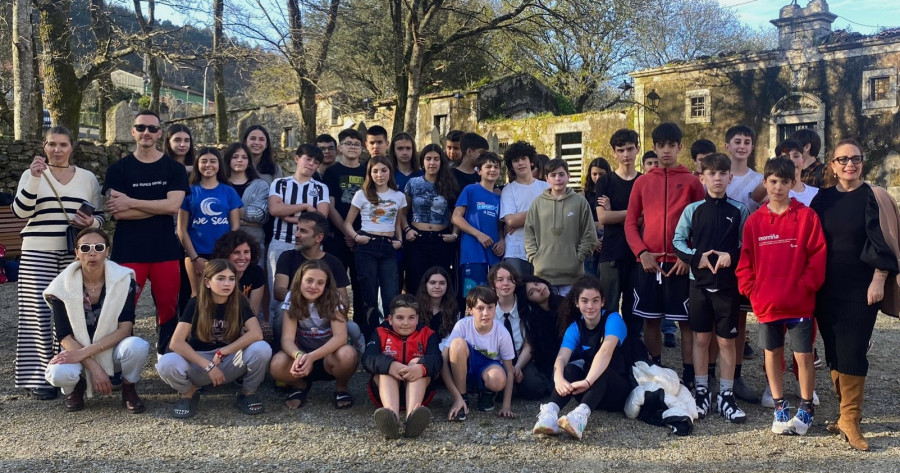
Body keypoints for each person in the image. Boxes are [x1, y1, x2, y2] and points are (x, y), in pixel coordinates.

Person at [810, 139, 899, 450]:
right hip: (825, 286)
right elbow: (810, 240)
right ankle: (842, 415)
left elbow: (882, 241)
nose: (850, 164)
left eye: (856, 159)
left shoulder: (873, 197)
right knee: (833, 349)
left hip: (861, 286)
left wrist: (879, 279)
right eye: (843, 159)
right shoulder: (822, 200)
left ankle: (851, 418)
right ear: (832, 165)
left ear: (863, 163)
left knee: (853, 350)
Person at [12, 126, 105, 399]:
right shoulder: (32, 175)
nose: (57, 149)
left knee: (73, 314)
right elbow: (20, 212)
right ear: (44, 146)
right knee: (37, 314)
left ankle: (71, 376)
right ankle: (40, 378)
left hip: (72, 253)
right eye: (52, 144)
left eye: (63, 144)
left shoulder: (87, 178)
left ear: (71, 147)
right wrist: (33, 178)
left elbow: (100, 217)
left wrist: (91, 222)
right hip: (37, 252)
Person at [737, 157, 827, 436]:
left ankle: (806, 405)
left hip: (799, 302)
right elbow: (746, 262)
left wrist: (805, 286)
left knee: (804, 356)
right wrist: (753, 290)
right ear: (765, 183)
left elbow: (817, 256)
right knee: (771, 355)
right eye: (773, 181)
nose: (777, 187)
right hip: (768, 304)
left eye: (784, 182)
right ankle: (779, 405)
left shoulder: (807, 217)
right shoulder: (754, 222)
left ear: (792, 184)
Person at [624, 122, 705, 386]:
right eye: (661, 146)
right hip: (650, 264)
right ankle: (655, 371)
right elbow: (630, 222)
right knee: (651, 320)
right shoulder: (642, 182)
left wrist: (687, 257)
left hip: (681, 265)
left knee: (687, 324)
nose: (666, 151)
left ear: (680, 146)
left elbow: (701, 225)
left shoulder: (692, 182)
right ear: (655, 148)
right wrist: (642, 253)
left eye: (672, 145)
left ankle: (691, 375)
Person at [103, 110, 188, 356]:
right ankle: (121, 361)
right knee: (123, 308)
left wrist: (131, 201)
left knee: (168, 308)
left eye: (152, 128)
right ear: (133, 131)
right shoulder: (118, 169)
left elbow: (174, 207)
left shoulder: (174, 169)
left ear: (160, 133)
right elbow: (119, 214)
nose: (146, 133)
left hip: (165, 251)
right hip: (129, 250)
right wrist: (159, 206)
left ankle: (167, 358)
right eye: (141, 128)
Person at [673, 153, 750, 424]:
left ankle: (726, 395)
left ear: (730, 177)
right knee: (701, 339)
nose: (717, 178)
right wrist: (697, 257)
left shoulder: (739, 210)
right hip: (699, 285)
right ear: (702, 177)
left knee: (727, 341)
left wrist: (733, 256)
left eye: (722, 173)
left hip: (728, 286)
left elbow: (747, 245)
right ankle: (702, 390)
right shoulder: (692, 210)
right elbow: (678, 240)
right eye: (712, 173)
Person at [44, 228, 149, 413]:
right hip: (76, 348)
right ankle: (76, 388)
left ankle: (128, 388)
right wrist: (93, 366)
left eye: (98, 247)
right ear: (76, 252)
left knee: (137, 346)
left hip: (112, 347)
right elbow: (64, 335)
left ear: (107, 251)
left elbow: (125, 328)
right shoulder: (60, 285)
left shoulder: (124, 280)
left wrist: (86, 352)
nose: (92, 252)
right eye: (85, 248)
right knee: (57, 372)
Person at [156, 259, 272, 418]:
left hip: (228, 360)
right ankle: (189, 394)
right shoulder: (196, 303)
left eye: (231, 279)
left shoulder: (239, 302)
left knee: (262, 348)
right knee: (166, 363)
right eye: (221, 278)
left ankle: (248, 393)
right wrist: (208, 366)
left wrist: (224, 351)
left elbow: (256, 333)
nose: (227, 284)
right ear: (207, 282)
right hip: (199, 363)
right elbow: (176, 343)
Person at [531, 275, 630, 440]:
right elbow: (562, 357)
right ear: (577, 303)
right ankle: (550, 413)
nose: (590, 306)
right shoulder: (575, 327)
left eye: (595, 301)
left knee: (600, 367)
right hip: (590, 391)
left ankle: (580, 417)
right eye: (584, 301)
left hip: (618, 390)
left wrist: (587, 381)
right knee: (569, 368)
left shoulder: (613, 319)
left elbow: (605, 352)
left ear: (602, 302)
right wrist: (559, 379)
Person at [269, 260, 359, 410]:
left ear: (326, 285)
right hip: (303, 356)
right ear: (300, 280)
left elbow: (340, 337)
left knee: (348, 354)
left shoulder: (334, 298)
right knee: (276, 364)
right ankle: (300, 385)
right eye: (309, 280)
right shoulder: (292, 298)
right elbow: (287, 339)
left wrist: (312, 357)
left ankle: (342, 387)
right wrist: (299, 355)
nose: (313, 286)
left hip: (329, 357)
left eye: (320, 283)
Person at [724, 124, 766, 403]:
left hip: (746, 257)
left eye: (747, 142)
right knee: (717, 321)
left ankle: (736, 377)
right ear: (727, 145)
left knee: (738, 320)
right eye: (737, 141)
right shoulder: (718, 175)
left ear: (752, 147)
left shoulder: (760, 180)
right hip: (716, 257)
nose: (742, 146)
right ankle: (713, 375)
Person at [363, 295, 442, 439]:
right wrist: (390, 365)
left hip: (419, 393)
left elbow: (437, 359)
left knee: (417, 363)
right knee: (385, 368)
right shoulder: (379, 332)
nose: (406, 323)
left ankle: (413, 418)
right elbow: (367, 359)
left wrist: (420, 368)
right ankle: (391, 418)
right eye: (400, 318)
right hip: (384, 391)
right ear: (390, 319)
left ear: (417, 318)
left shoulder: (427, 333)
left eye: (411, 318)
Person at [344, 155, 405, 331]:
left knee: (390, 295)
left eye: (384, 170)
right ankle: (370, 335)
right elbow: (347, 223)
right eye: (375, 171)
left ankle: (390, 333)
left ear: (390, 172)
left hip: (388, 246)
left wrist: (399, 241)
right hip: (367, 245)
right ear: (369, 174)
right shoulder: (361, 194)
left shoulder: (398, 196)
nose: (380, 175)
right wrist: (356, 237)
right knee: (368, 295)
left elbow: (398, 223)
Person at [267, 144, 329, 315]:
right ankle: (276, 336)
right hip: (281, 242)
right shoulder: (280, 183)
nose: (311, 164)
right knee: (277, 295)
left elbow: (321, 217)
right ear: (296, 159)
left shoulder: (320, 188)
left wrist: (289, 217)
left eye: (316, 162)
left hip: (311, 247)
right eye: (308, 159)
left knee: (311, 290)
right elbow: (275, 210)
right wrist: (305, 206)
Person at [441, 285, 516, 420]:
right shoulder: (462, 325)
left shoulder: (502, 332)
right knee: (457, 344)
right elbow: (443, 361)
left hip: (488, 369)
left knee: (498, 378)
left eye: (490, 307)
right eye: (480, 308)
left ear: (495, 307)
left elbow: (509, 370)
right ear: (470, 310)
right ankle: (463, 399)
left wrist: (506, 406)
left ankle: (487, 394)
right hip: (464, 370)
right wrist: (456, 397)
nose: (486, 313)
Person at [525, 159, 597, 296]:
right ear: (546, 178)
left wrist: (578, 257)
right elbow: (529, 234)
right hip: (543, 275)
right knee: (547, 316)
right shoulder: (537, 203)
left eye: (561, 174)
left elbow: (589, 235)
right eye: (553, 175)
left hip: (572, 276)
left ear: (568, 176)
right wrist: (535, 258)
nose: (557, 178)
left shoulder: (580, 202)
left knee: (568, 315)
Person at [178, 147, 243, 297]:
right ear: (197, 165)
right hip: (196, 254)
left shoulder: (229, 191)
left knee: (223, 296)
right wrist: (195, 258)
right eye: (204, 161)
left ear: (219, 164)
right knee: (198, 297)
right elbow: (181, 229)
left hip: (222, 253)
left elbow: (235, 226)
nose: (208, 165)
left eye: (213, 161)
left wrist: (226, 252)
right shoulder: (188, 191)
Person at [595, 129, 641, 340]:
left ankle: (633, 354)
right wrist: (633, 213)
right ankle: (608, 355)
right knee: (609, 309)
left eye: (630, 149)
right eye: (621, 150)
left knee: (635, 311)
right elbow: (603, 219)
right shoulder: (605, 182)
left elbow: (647, 219)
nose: (626, 154)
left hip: (638, 254)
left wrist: (616, 213)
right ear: (613, 153)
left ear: (638, 149)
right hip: (611, 253)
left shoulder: (645, 181)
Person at [273, 211, 353, 332]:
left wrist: (318, 305)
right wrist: (307, 302)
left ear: (319, 237)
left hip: (324, 313)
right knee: (281, 309)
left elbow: (344, 301)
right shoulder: (287, 257)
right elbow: (279, 292)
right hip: (297, 309)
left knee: (353, 328)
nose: (297, 235)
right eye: (297, 229)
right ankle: (281, 347)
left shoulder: (334, 262)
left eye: (303, 231)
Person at [490, 262, 556, 400]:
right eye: (500, 280)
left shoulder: (525, 308)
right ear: (493, 284)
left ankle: (519, 382)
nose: (506, 283)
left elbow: (529, 343)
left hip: (521, 358)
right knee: (501, 392)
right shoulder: (489, 310)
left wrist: (518, 366)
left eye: (510, 279)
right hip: (497, 361)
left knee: (536, 389)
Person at [323, 128, 368, 323]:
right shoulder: (332, 171)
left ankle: (362, 329)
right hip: (338, 236)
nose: (352, 147)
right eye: (348, 143)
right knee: (333, 284)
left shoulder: (367, 170)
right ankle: (333, 326)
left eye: (356, 144)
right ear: (340, 147)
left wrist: (358, 234)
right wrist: (348, 233)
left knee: (362, 286)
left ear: (362, 148)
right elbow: (330, 207)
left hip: (364, 235)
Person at [401, 144, 460, 295]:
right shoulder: (413, 183)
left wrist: (454, 234)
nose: (432, 163)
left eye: (436, 159)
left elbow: (457, 213)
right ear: (422, 162)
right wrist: (407, 230)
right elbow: (402, 212)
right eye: (428, 159)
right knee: (415, 281)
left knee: (440, 283)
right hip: (417, 239)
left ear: (441, 162)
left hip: (441, 240)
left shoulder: (450, 184)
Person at [452, 152, 504, 296]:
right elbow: (456, 218)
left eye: (496, 167)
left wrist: (502, 241)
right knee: (472, 298)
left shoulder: (500, 198)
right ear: (479, 170)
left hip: (494, 256)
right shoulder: (470, 190)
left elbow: (500, 226)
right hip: (472, 254)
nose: (493, 170)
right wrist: (478, 235)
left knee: (493, 298)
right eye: (488, 166)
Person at [500, 141, 549, 278]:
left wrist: (522, 220)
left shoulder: (546, 188)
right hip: (515, 251)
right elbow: (510, 221)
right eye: (516, 161)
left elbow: (553, 216)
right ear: (511, 165)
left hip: (542, 250)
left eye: (523, 159)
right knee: (517, 291)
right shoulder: (508, 190)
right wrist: (541, 211)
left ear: (531, 162)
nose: (520, 163)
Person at [224, 142, 269, 256]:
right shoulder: (220, 185)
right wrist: (246, 221)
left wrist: (230, 216)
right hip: (224, 244)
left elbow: (259, 214)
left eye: (244, 157)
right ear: (228, 159)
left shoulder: (260, 185)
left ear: (249, 162)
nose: (240, 160)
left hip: (254, 243)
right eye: (235, 157)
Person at [212, 230, 266, 324]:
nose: (242, 257)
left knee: (265, 329)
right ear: (226, 254)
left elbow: (253, 312)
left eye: (246, 252)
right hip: (216, 322)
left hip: (244, 321)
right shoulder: (215, 272)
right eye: (236, 252)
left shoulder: (257, 272)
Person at [415, 266, 460, 350]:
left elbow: (451, 340)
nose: (437, 286)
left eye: (442, 283)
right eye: (432, 282)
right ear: (425, 285)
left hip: (444, 353)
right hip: (418, 352)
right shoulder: (415, 308)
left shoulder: (453, 309)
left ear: (447, 285)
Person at [779, 139, 819, 206]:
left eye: (796, 156)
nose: (791, 161)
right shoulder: (773, 193)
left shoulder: (816, 193)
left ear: (803, 161)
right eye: (785, 157)